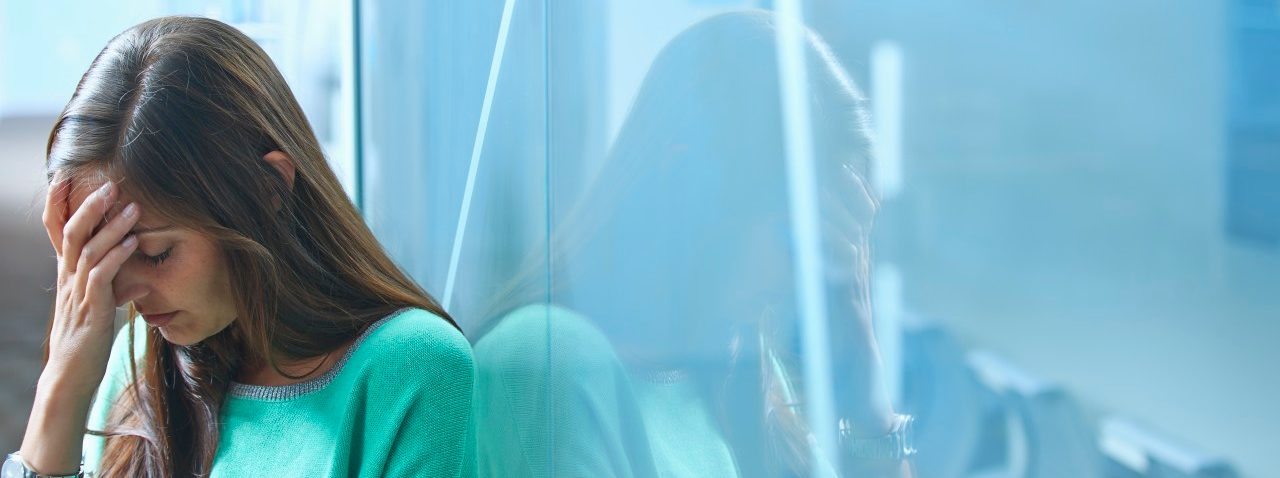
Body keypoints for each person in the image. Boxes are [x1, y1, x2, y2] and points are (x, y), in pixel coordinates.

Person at [10, 16, 475, 477]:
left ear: (269, 188)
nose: (124, 291)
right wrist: (62, 388)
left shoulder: (413, 370)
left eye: (155, 254)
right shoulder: (134, 364)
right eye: (101, 253)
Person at [471, 10, 912, 478]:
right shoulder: (552, 363)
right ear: (684, 183)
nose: (808, 277)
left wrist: (869, 401)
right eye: (793, 240)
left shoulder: (745, 376)